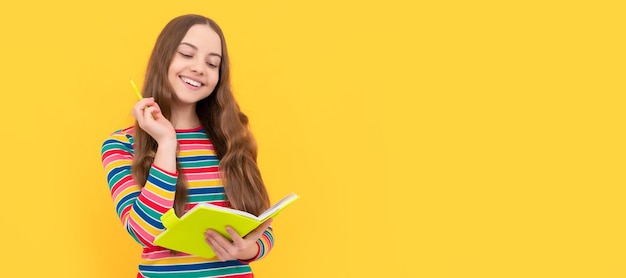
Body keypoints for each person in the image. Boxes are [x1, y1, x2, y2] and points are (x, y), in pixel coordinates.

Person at [101, 14, 274, 278]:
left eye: (212, 63)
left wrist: (246, 250)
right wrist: (167, 143)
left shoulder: (232, 139)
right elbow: (144, 232)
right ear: (164, 58)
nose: (199, 68)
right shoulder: (121, 144)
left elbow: (263, 228)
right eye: (186, 54)